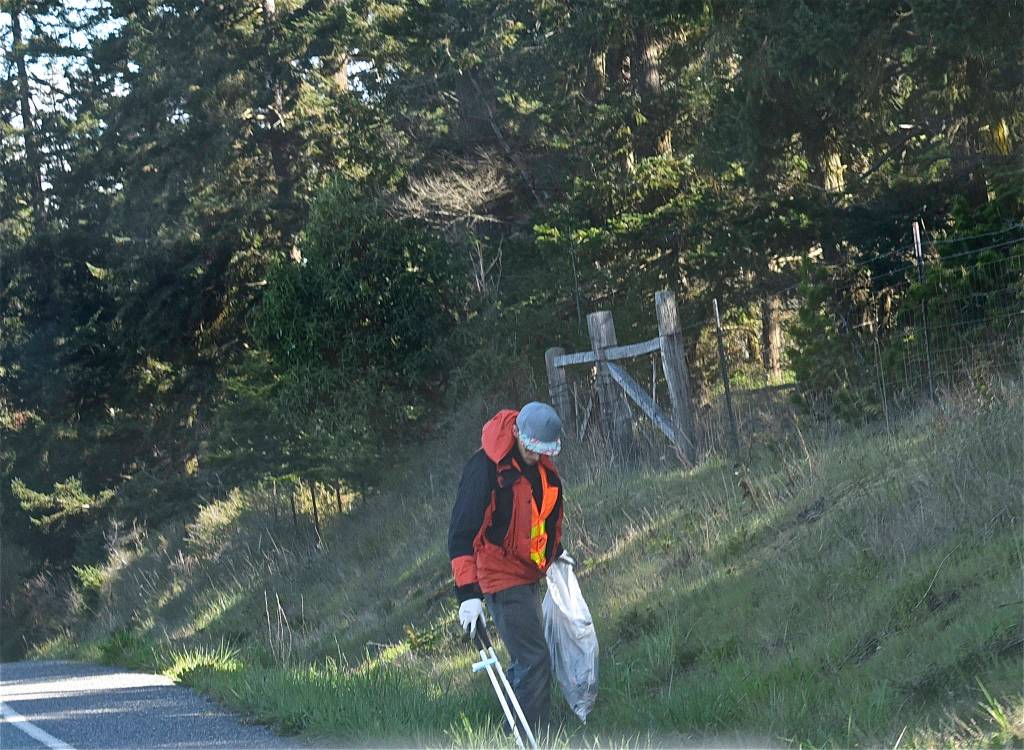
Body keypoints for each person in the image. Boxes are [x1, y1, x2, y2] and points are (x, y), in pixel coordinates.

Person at [448, 401, 574, 733]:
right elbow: (461, 534)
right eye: (531, 448)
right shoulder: (484, 468)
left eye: (543, 451)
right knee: (535, 660)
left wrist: (555, 553)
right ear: (518, 432)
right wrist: (467, 594)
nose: (536, 456)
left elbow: (537, 517)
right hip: (500, 577)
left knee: (526, 658)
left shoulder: (541, 467)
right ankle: (528, 736)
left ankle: (509, 732)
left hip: (529, 572)